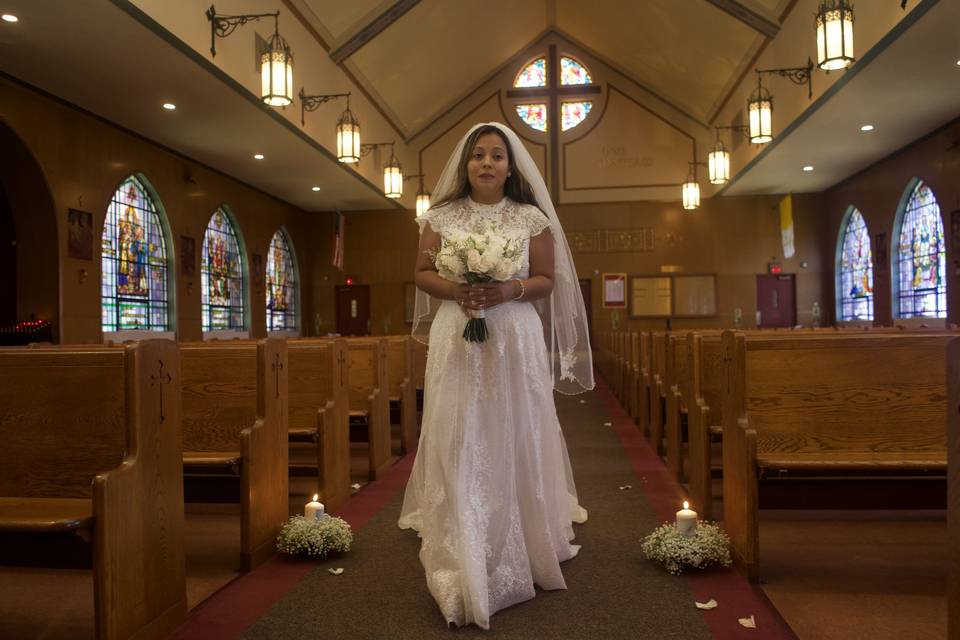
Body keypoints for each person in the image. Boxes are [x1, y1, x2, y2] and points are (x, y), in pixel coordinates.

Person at [398, 122, 594, 629]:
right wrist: (456, 289)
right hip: (456, 332)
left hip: (514, 335)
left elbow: (548, 280)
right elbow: (422, 273)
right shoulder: (439, 215)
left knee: (516, 419)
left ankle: (523, 519)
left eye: (497, 156)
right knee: (457, 421)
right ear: (466, 165)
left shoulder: (531, 218)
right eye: (478, 155)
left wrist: (508, 290)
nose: (487, 163)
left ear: (511, 166)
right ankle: (460, 516)